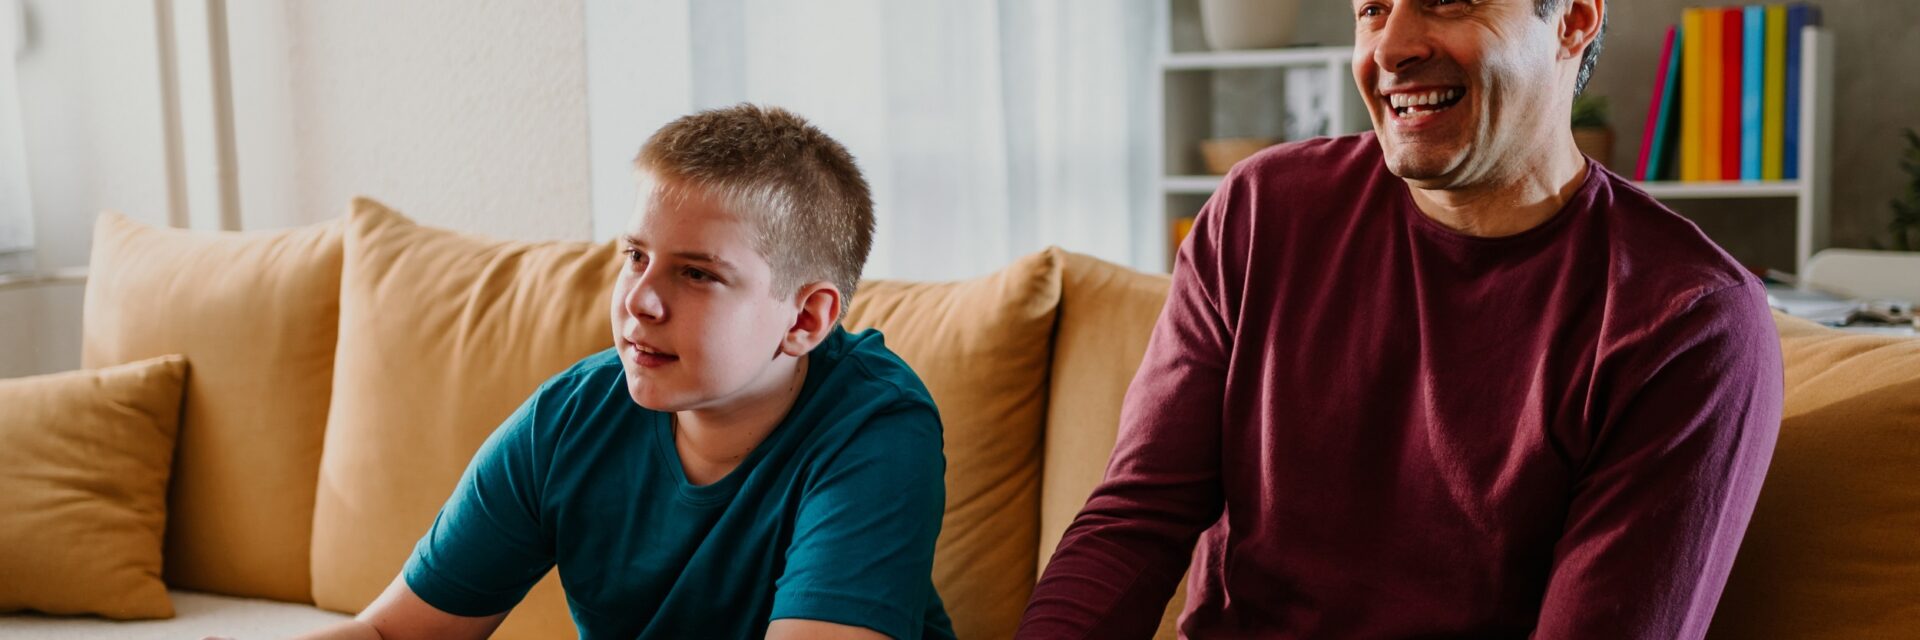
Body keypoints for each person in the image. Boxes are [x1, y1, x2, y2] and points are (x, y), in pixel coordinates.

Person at [1020, 0, 1782, 638]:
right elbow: (1134, 521)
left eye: (1448, 1)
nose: (1391, 46)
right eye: (1372, 9)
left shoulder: (1690, 321)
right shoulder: (1262, 212)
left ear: (1574, 18)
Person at [288, 104, 955, 640]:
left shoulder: (877, 429)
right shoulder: (571, 418)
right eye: (635, 256)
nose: (639, 300)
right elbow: (394, 632)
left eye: (696, 274)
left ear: (806, 319)